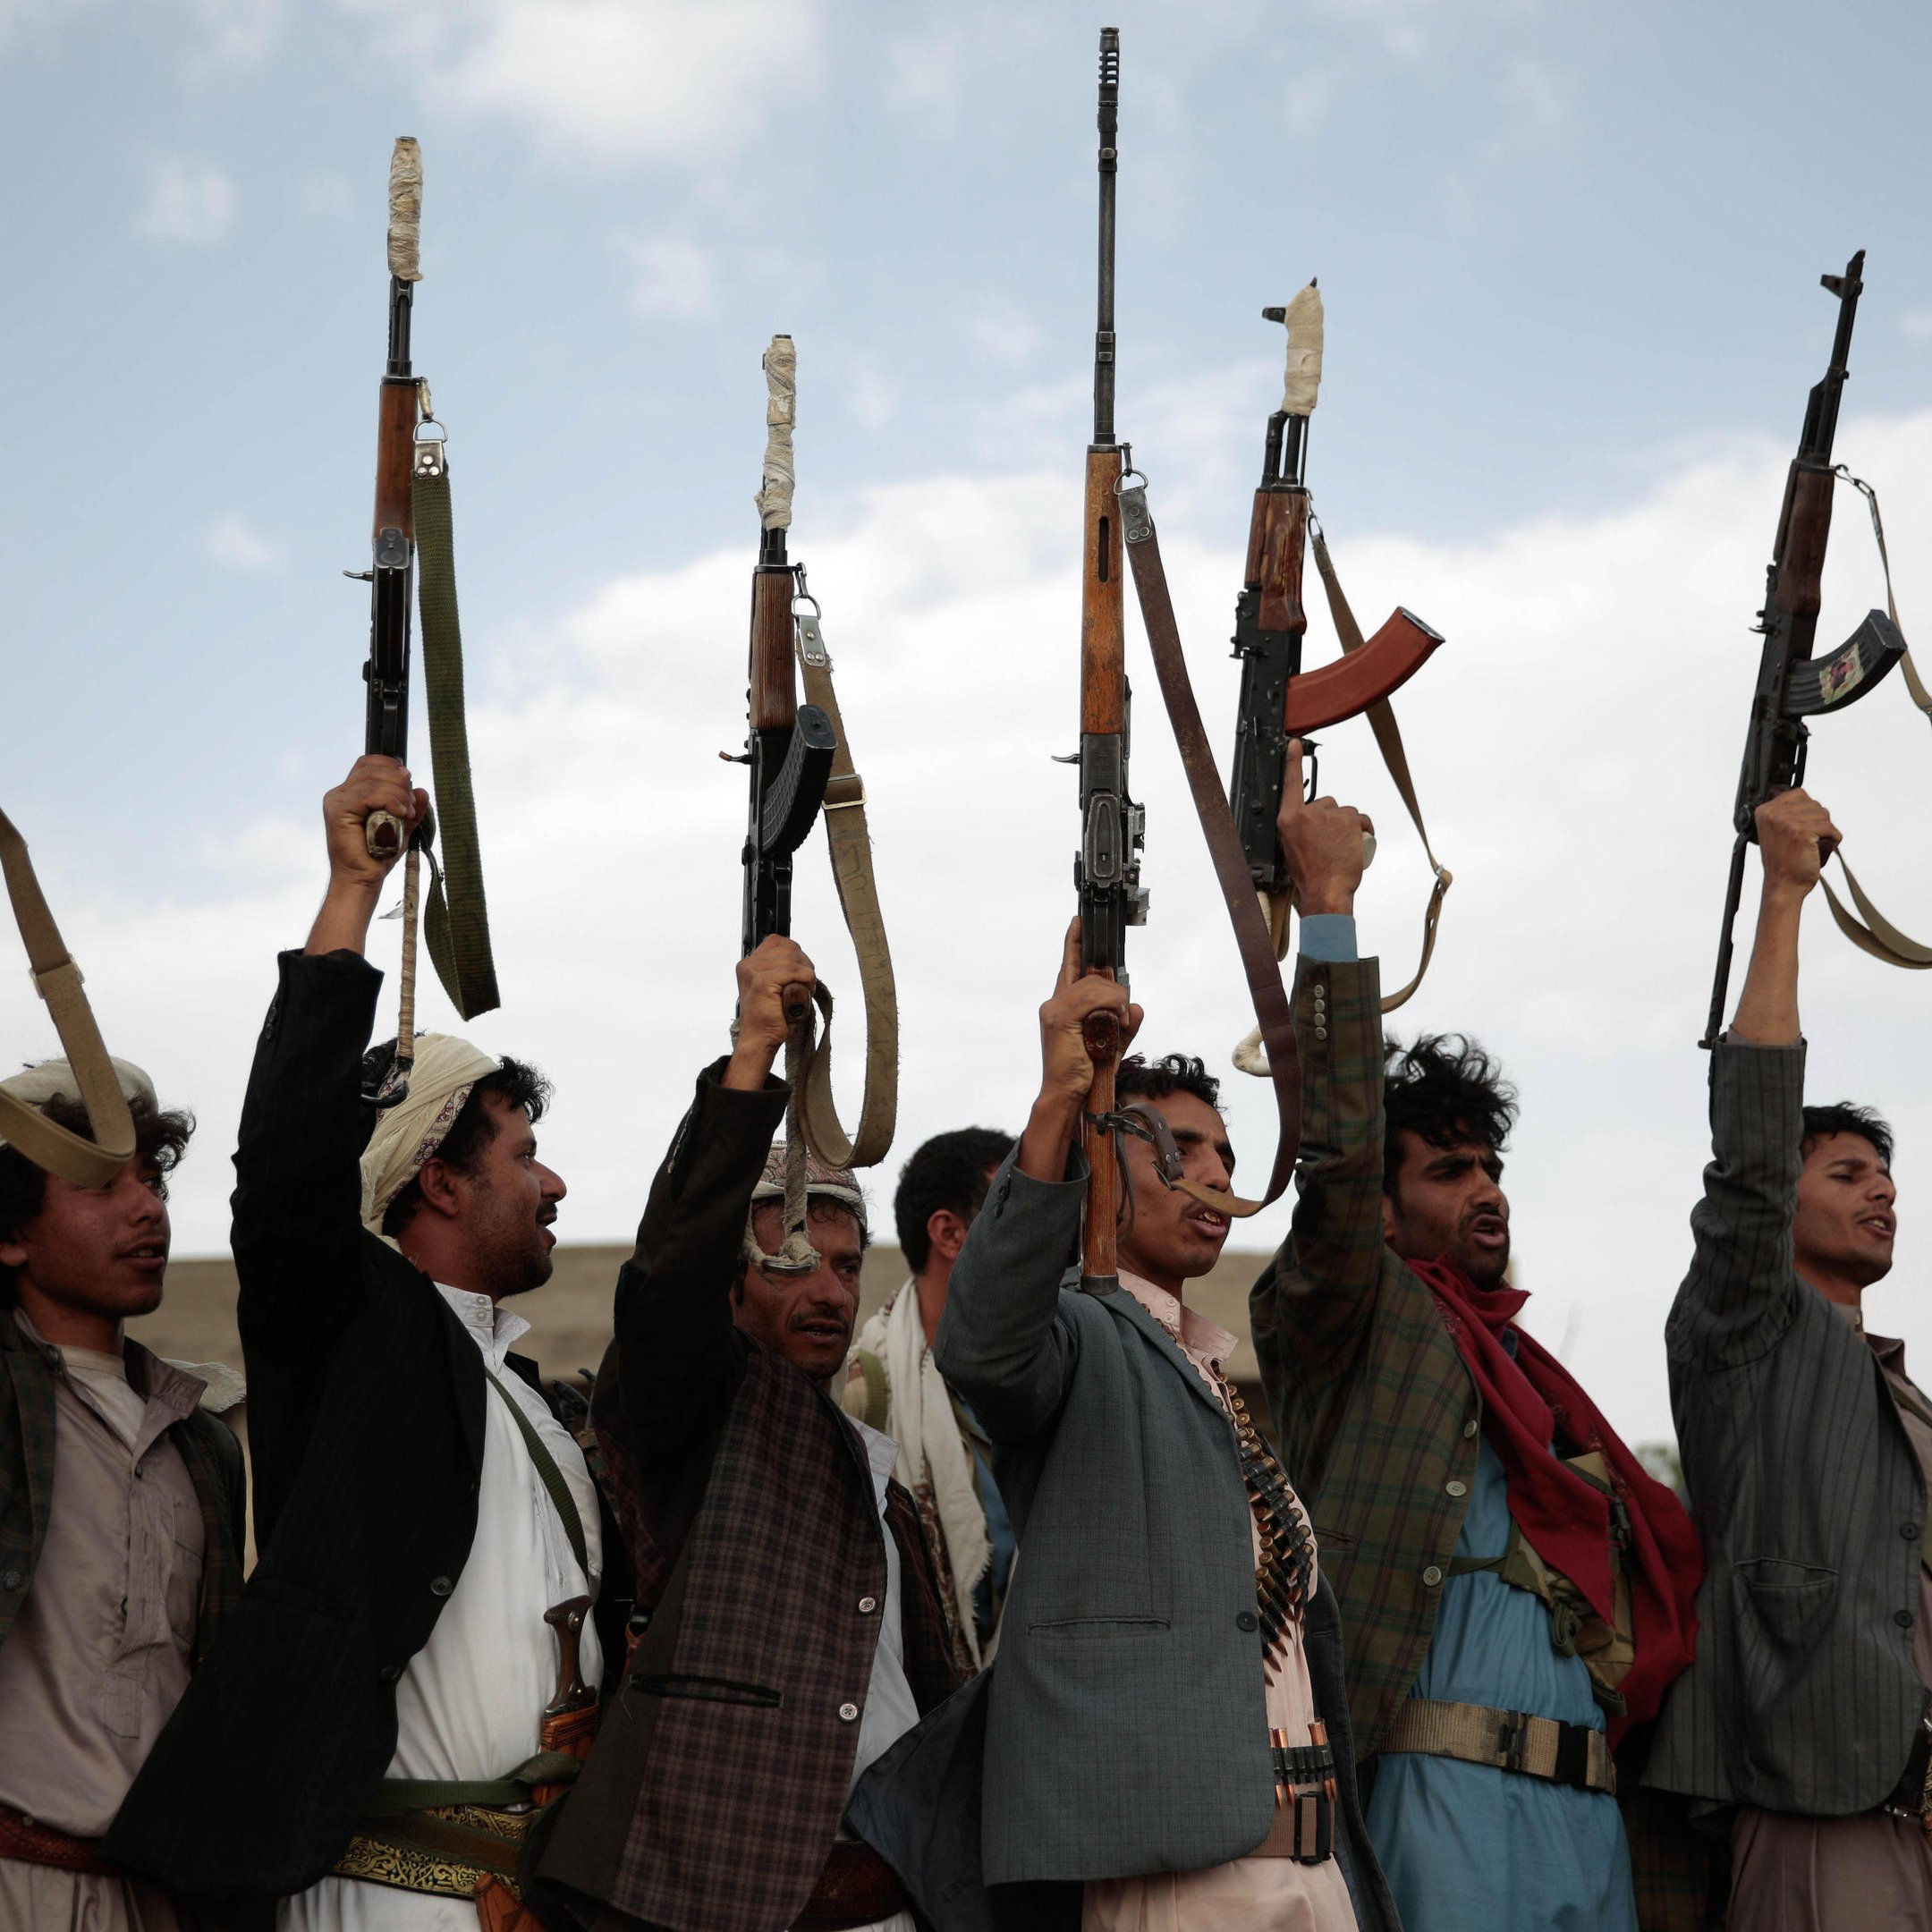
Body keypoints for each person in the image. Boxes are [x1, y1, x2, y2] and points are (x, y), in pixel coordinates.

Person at [107, 755, 623, 1929]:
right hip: (387, 1898)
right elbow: (288, 1167)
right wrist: (351, 892)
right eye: (523, 1154)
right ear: (435, 1180)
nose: (554, 1183)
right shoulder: (348, 1330)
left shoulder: (528, 1393)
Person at [852, 905, 1400, 1931]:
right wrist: (1062, 1096)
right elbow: (983, 1343)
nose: (1217, 1175)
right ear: (1105, 1157)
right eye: (1178, 1147)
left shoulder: (1209, 1383)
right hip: (1179, 1880)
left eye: (1229, 1155)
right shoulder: (1078, 1336)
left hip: (1312, 1872)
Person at [1250, 742, 1704, 1932]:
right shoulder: (1362, 1317)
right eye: (1450, 1171)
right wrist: (1332, 920)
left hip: (1591, 1821)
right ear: (1389, 1215)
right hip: (1435, 1802)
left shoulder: (1530, 1377)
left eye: (1493, 1166)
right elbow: (1339, 1167)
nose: (1488, 1190)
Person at [530, 933, 961, 1932]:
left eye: (848, 1267)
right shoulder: (698, 1410)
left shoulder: (872, 1463)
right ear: (731, 1280)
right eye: (794, 1259)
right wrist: (752, 1055)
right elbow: (668, 1278)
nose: (828, 1289)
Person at [1647, 786, 1932, 1927]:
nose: (1883, 1191)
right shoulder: (1744, 1323)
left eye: (1886, 1175)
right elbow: (1751, 1162)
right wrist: (1782, 896)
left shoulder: (1897, 1386)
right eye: (1847, 1173)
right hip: (1819, 1804)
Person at [0, 1056, 240, 1932]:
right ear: (10, 1232)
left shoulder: (203, 1443)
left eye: (152, 1180)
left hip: (161, 1897)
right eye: (102, 1184)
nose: (148, 1208)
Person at [844, 1125, 1017, 1668]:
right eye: (1019, 1210)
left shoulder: (1057, 1375)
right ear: (950, 1233)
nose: (1047, 1233)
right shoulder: (866, 1390)